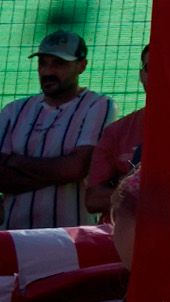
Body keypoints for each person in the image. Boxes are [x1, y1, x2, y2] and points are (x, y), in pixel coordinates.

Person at [0, 33, 113, 231]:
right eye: (43, 63)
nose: (47, 71)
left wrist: (14, 161)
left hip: (70, 238)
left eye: (58, 64)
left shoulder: (97, 104)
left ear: (82, 66)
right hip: (15, 234)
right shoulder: (14, 110)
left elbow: (77, 168)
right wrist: (60, 171)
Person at [80, 45, 142, 219]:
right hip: (119, 232)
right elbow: (93, 199)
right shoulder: (118, 131)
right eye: (150, 67)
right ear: (142, 75)